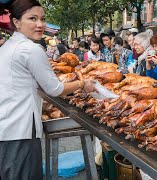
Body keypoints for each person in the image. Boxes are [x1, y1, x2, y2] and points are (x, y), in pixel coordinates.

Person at [0, 0, 96, 179]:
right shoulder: (30, 49)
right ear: (16, 22)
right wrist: (83, 84)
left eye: (42, 19)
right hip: (19, 132)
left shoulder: (7, 47)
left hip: (6, 128)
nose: (40, 24)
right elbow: (55, 88)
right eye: (32, 18)